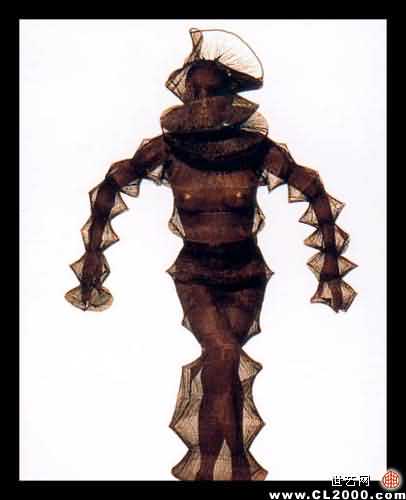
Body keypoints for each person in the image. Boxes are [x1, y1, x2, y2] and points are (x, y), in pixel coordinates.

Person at [65, 28, 357, 480]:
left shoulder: (255, 149)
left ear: (228, 96)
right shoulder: (168, 149)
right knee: (221, 353)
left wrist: (331, 270)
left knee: (225, 360)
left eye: (211, 90)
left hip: (246, 273)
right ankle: (229, 467)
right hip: (195, 273)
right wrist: (92, 263)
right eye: (196, 91)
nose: (203, 100)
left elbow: (313, 189)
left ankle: (214, 470)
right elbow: (111, 185)